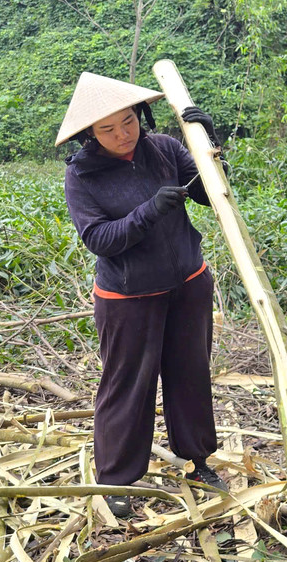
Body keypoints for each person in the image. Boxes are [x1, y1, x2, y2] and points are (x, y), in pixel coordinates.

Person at [57, 72, 229, 519]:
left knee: (190, 374)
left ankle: (199, 462)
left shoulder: (167, 149)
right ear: (89, 134)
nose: (122, 134)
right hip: (128, 298)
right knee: (127, 386)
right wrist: (147, 212)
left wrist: (208, 141)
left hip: (188, 283)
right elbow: (98, 238)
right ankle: (115, 478)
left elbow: (215, 194)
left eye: (128, 121)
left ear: (141, 115)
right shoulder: (82, 174)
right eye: (107, 128)